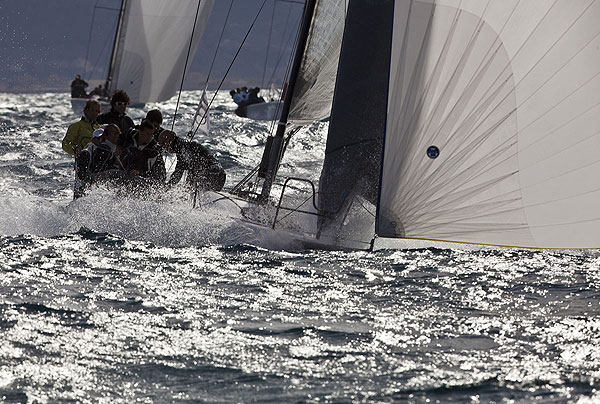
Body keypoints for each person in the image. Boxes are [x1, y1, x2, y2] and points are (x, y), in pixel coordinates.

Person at [157, 130, 225, 192]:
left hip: (213, 175)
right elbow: (180, 171)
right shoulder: (183, 147)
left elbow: (190, 167)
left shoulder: (182, 148)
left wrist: (166, 188)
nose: (163, 148)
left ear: (170, 139)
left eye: (163, 143)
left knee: (191, 190)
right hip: (219, 174)